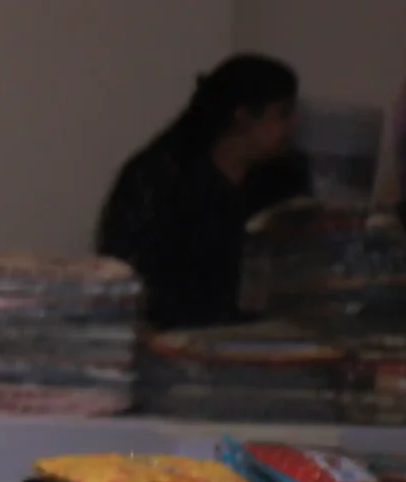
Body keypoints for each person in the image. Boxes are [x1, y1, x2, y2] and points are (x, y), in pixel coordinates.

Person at [97, 55, 307, 329]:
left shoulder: (286, 177)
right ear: (243, 115)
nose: (293, 125)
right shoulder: (159, 177)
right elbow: (127, 272)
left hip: (265, 335)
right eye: (282, 114)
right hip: (172, 332)